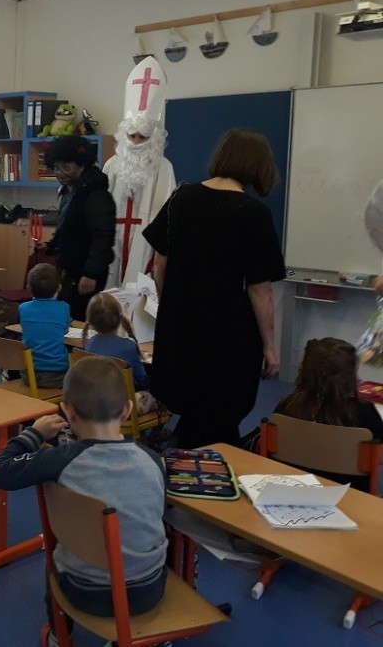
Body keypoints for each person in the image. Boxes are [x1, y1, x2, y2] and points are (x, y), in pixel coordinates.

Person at [0, 356, 168, 625]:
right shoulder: (152, 460)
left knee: (54, 561)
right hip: (148, 591)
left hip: (82, 591)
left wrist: (35, 434)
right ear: (127, 410)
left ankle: (58, 634)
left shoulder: (60, 460)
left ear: (67, 411)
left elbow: (0, 472)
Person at [142, 128, 286, 448]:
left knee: (191, 408)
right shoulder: (253, 213)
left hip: (179, 326)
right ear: (258, 165)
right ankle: (210, 466)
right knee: (219, 416)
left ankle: (187, 458)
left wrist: (172, 308)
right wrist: (270, 347)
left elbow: (159, 266)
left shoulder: (180, 198)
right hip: (227, 334)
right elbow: (260, 289)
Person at [268, 337, 383, 491]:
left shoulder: (286, 407)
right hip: (349, 495)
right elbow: (378, 457)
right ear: (351, 376)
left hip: (294, 489)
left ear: (304, 371)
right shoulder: (366, 414)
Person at [103, 56, 176, 289]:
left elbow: (167, 216)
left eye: (142, 137)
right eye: (131, 135)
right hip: (112, 242)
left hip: (145, 246)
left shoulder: (164, 168)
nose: (135, 142)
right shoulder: (112, 165)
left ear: (154, 137)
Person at [44, 135, 117, 321]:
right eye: (56, 168)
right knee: (67, 318)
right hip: (72, 270)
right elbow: (68, 228)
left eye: (66, 167)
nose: (60, 173)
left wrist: (90, 274)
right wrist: (50, 246)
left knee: (79, 322)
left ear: (82, 165)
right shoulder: (70, 190)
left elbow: (103, 236)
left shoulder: (95, 195)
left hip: (86, 273)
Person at [83, 292, 149, 391]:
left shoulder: (88, 344)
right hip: (122, 399)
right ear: (119, 320)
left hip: (94, 396)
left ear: (91, 322)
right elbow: (142, 381)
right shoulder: (129, 346)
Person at [18, 263, 69, 389]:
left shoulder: (23, 308)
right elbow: (65, 330)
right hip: (58, 375)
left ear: (28, 288)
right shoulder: (64, 308)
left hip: (29, 374)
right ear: (59, 287)